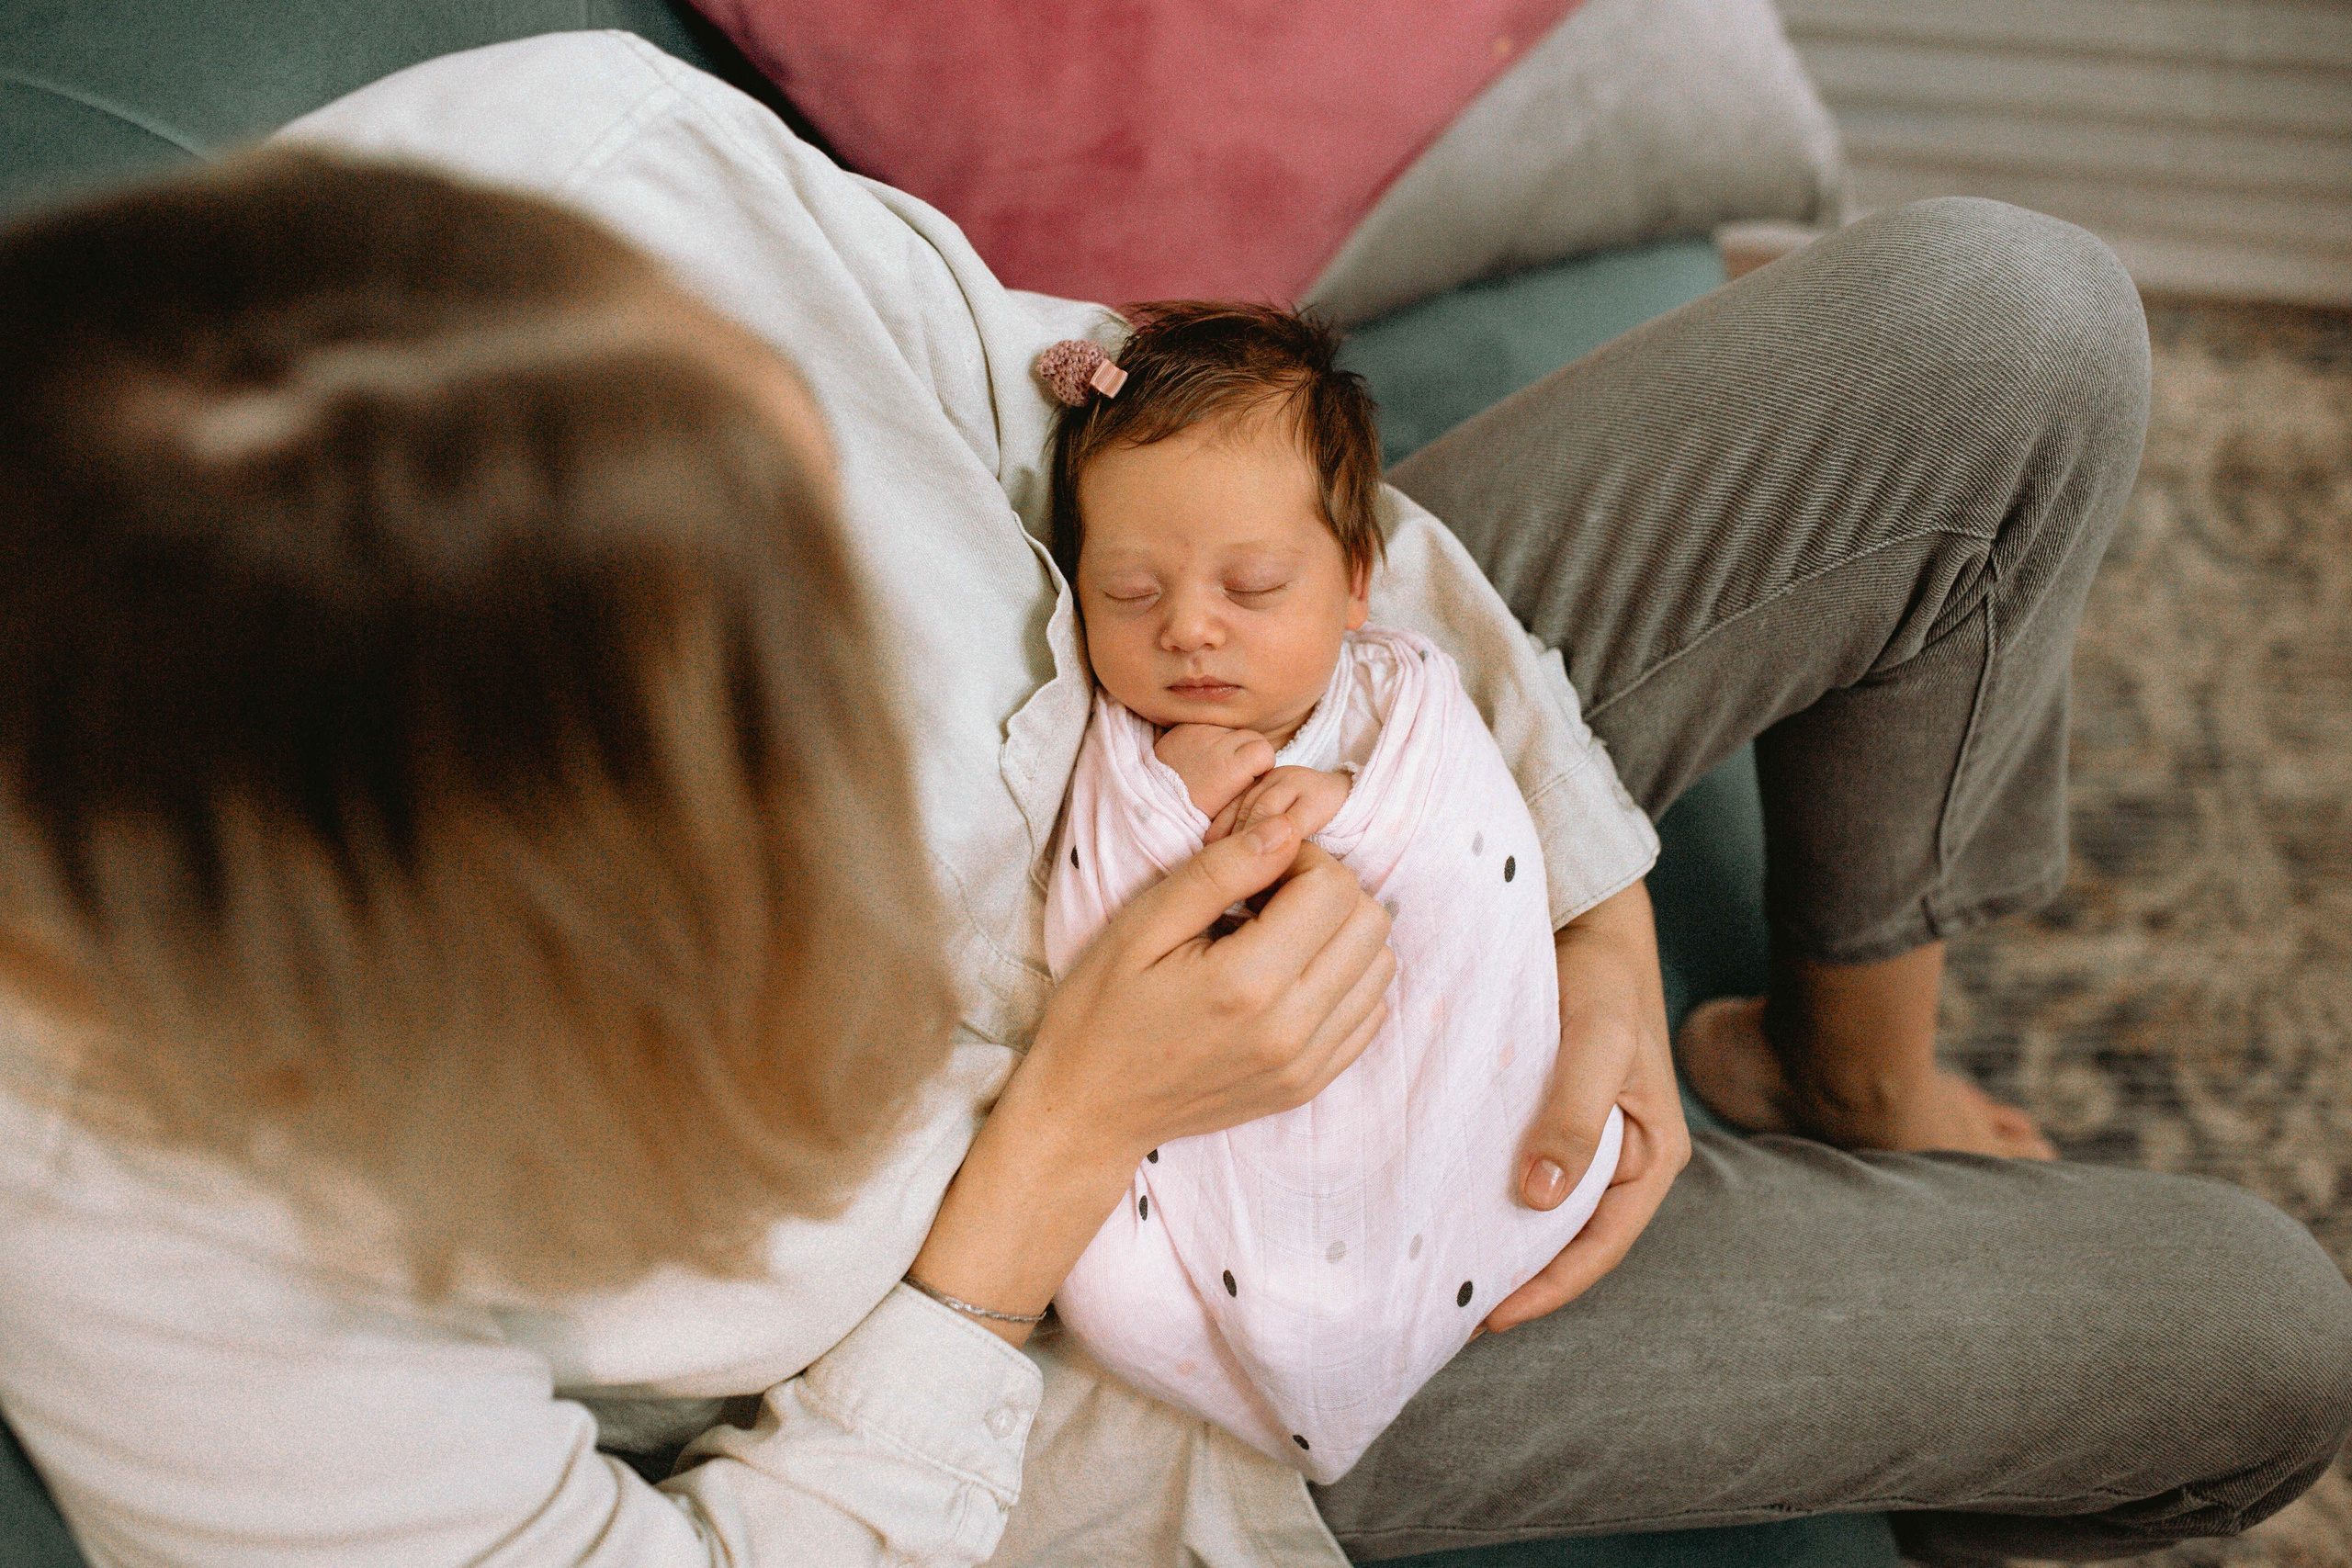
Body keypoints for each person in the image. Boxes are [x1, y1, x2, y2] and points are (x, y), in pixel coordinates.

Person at [0, 30, 2343, 1568]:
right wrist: (1057, 1146)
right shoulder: (118, 1194)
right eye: (789, 699)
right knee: (2253, 1335)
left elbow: (1137, 453)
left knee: (1990, 326)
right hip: (1124, 1343)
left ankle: (1819, 1056)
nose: (889, 651)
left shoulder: (586, 164)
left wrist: (1585, 895)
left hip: (1312, 736)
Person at [1037, 303, 1620, 1483]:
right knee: (1109, 1290)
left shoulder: (1401, 698)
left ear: (1356, 585)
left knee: (1542, 1136)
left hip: (1434, 1094)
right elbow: (1087, 904)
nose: (1190, 629)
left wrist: (1352, 805)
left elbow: (1468, 829)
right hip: (1212, 1136)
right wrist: (1165, 804)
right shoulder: (1113, 746)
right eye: (1129, 593)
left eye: (1253, 587)